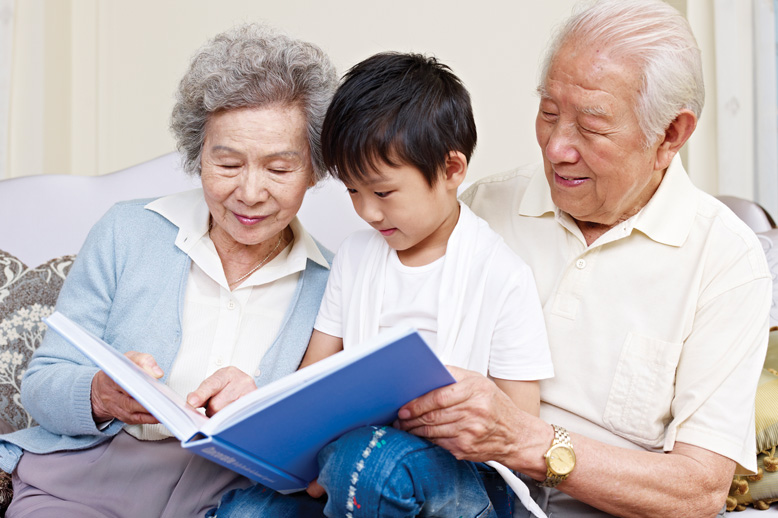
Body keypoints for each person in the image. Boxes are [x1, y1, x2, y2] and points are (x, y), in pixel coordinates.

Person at [393, 1, 772, 517]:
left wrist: (526, 441)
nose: (556, 148)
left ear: (671, 135)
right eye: (548, 113)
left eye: (591, 128)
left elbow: (698, 491)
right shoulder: (482, 210)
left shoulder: (726, 260)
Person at [0, 23, 337, 517]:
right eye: (226, 164)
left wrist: (262, 407)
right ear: (197, 156)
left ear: (314, 169)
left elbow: (322, 443)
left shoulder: (332, 284)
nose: (249, 192)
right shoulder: (127, 231)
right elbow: (43, 383)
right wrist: (100, 394)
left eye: (279, 169)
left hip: (224, 499)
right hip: (83, 483)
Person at [212, 52, 554, 518]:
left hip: (464, 480)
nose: (368, 212)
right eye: (353, 191)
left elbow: (519, 428)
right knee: (245, 509)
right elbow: (313, 377)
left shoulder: (503, 275)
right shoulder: (355, 256)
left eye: (383, 192)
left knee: (371, 464)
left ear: (452, 170)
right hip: (350, 461)